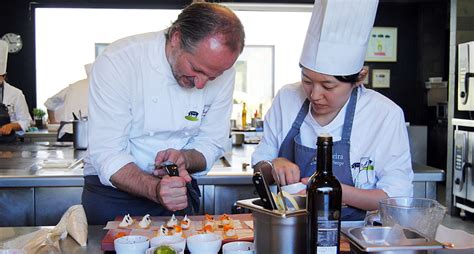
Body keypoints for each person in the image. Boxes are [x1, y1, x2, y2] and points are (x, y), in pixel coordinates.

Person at [82, 2, 245, 224]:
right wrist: (156, 189)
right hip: (113, 194)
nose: (201, 84)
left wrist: (184, 158)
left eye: (213, 77)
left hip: (178, 191)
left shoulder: (222, 70)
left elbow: (212, 143)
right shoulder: (119, 62)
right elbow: (108, 154)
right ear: (176, 38)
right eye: (196, 69)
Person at [251, 0, 413, 220]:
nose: (315, 94)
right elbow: (260, 167)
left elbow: (396, 198)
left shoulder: (384, 115)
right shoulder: (287, 98)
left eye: (328, 86)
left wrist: (334, 191)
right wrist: (274, 165)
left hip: (356, 234)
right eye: (307, 80)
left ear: (359, 78)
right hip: (289, 228)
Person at [0, 40, 32, 143]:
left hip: (8, 144)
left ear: (4, 76)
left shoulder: (16, 94)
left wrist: (11, 126)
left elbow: (26, 121)